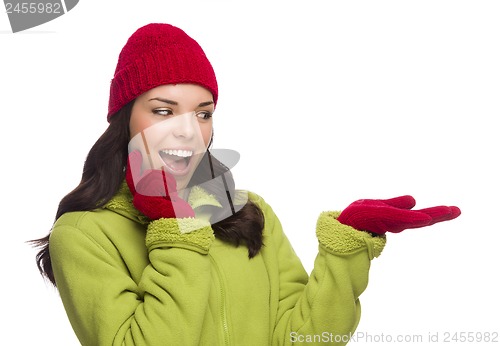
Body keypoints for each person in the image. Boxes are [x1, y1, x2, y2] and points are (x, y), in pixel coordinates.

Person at [31, 23, 461, 346]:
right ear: (126, 119)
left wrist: (345, 250)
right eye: (164, 111)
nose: (188, 130)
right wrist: (174, 228)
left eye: (203, 112)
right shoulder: (84, 234)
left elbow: (306, 338)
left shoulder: (246, 210)